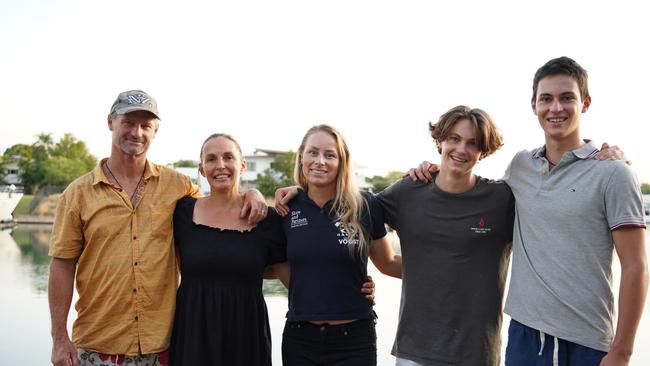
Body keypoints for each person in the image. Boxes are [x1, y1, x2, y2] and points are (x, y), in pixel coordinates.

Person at [48, 90, 267, 366]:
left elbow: (219, 206)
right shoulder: (77, 194)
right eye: (128, 122)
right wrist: (59, 337)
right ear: (110, 122)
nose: (136, 132)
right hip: (96, 346)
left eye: (145, 125)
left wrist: (251, 194)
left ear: (155, 131)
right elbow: (62, 265)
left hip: (161, 349)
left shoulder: (178, 187)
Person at [502, 56, 648, 366]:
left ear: (585, 103)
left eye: (567, 97)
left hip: (587, 343)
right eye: (546, 99)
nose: (556, 108)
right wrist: (435, 169)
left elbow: (636, 267)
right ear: (534, 106)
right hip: (524, 338)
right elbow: (469, 193)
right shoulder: (520, 167)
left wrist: (622, 350)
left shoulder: (613, 173)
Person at [379, 106, 514, 366]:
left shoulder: (502, 199)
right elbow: (351, 209)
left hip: (477, 354)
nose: (461, 149)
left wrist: (614, 163)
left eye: (472, 143)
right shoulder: (407, 192)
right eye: (454, 139)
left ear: (483, 151)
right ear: (440, 141)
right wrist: (304, 189)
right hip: (414, 352)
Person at [271, 124, 402, 365]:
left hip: (354, 339)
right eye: (312, 152)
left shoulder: (364, 205)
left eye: (330, 155)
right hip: (300, 338)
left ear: (342, 163)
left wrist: (449, 270)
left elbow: (389, 263)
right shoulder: (286, 210)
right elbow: (279, 268)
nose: (320, 161)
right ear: (301, 157)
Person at [169, 134, 287, 365]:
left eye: (228, 157)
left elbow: (294, 279)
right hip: (193, 335)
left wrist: (353, 287)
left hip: (246, 337)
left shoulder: (266, 219)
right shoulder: (181, 213)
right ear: (201, 169)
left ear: (242, 165)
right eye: (211, 159)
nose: (220, 165)